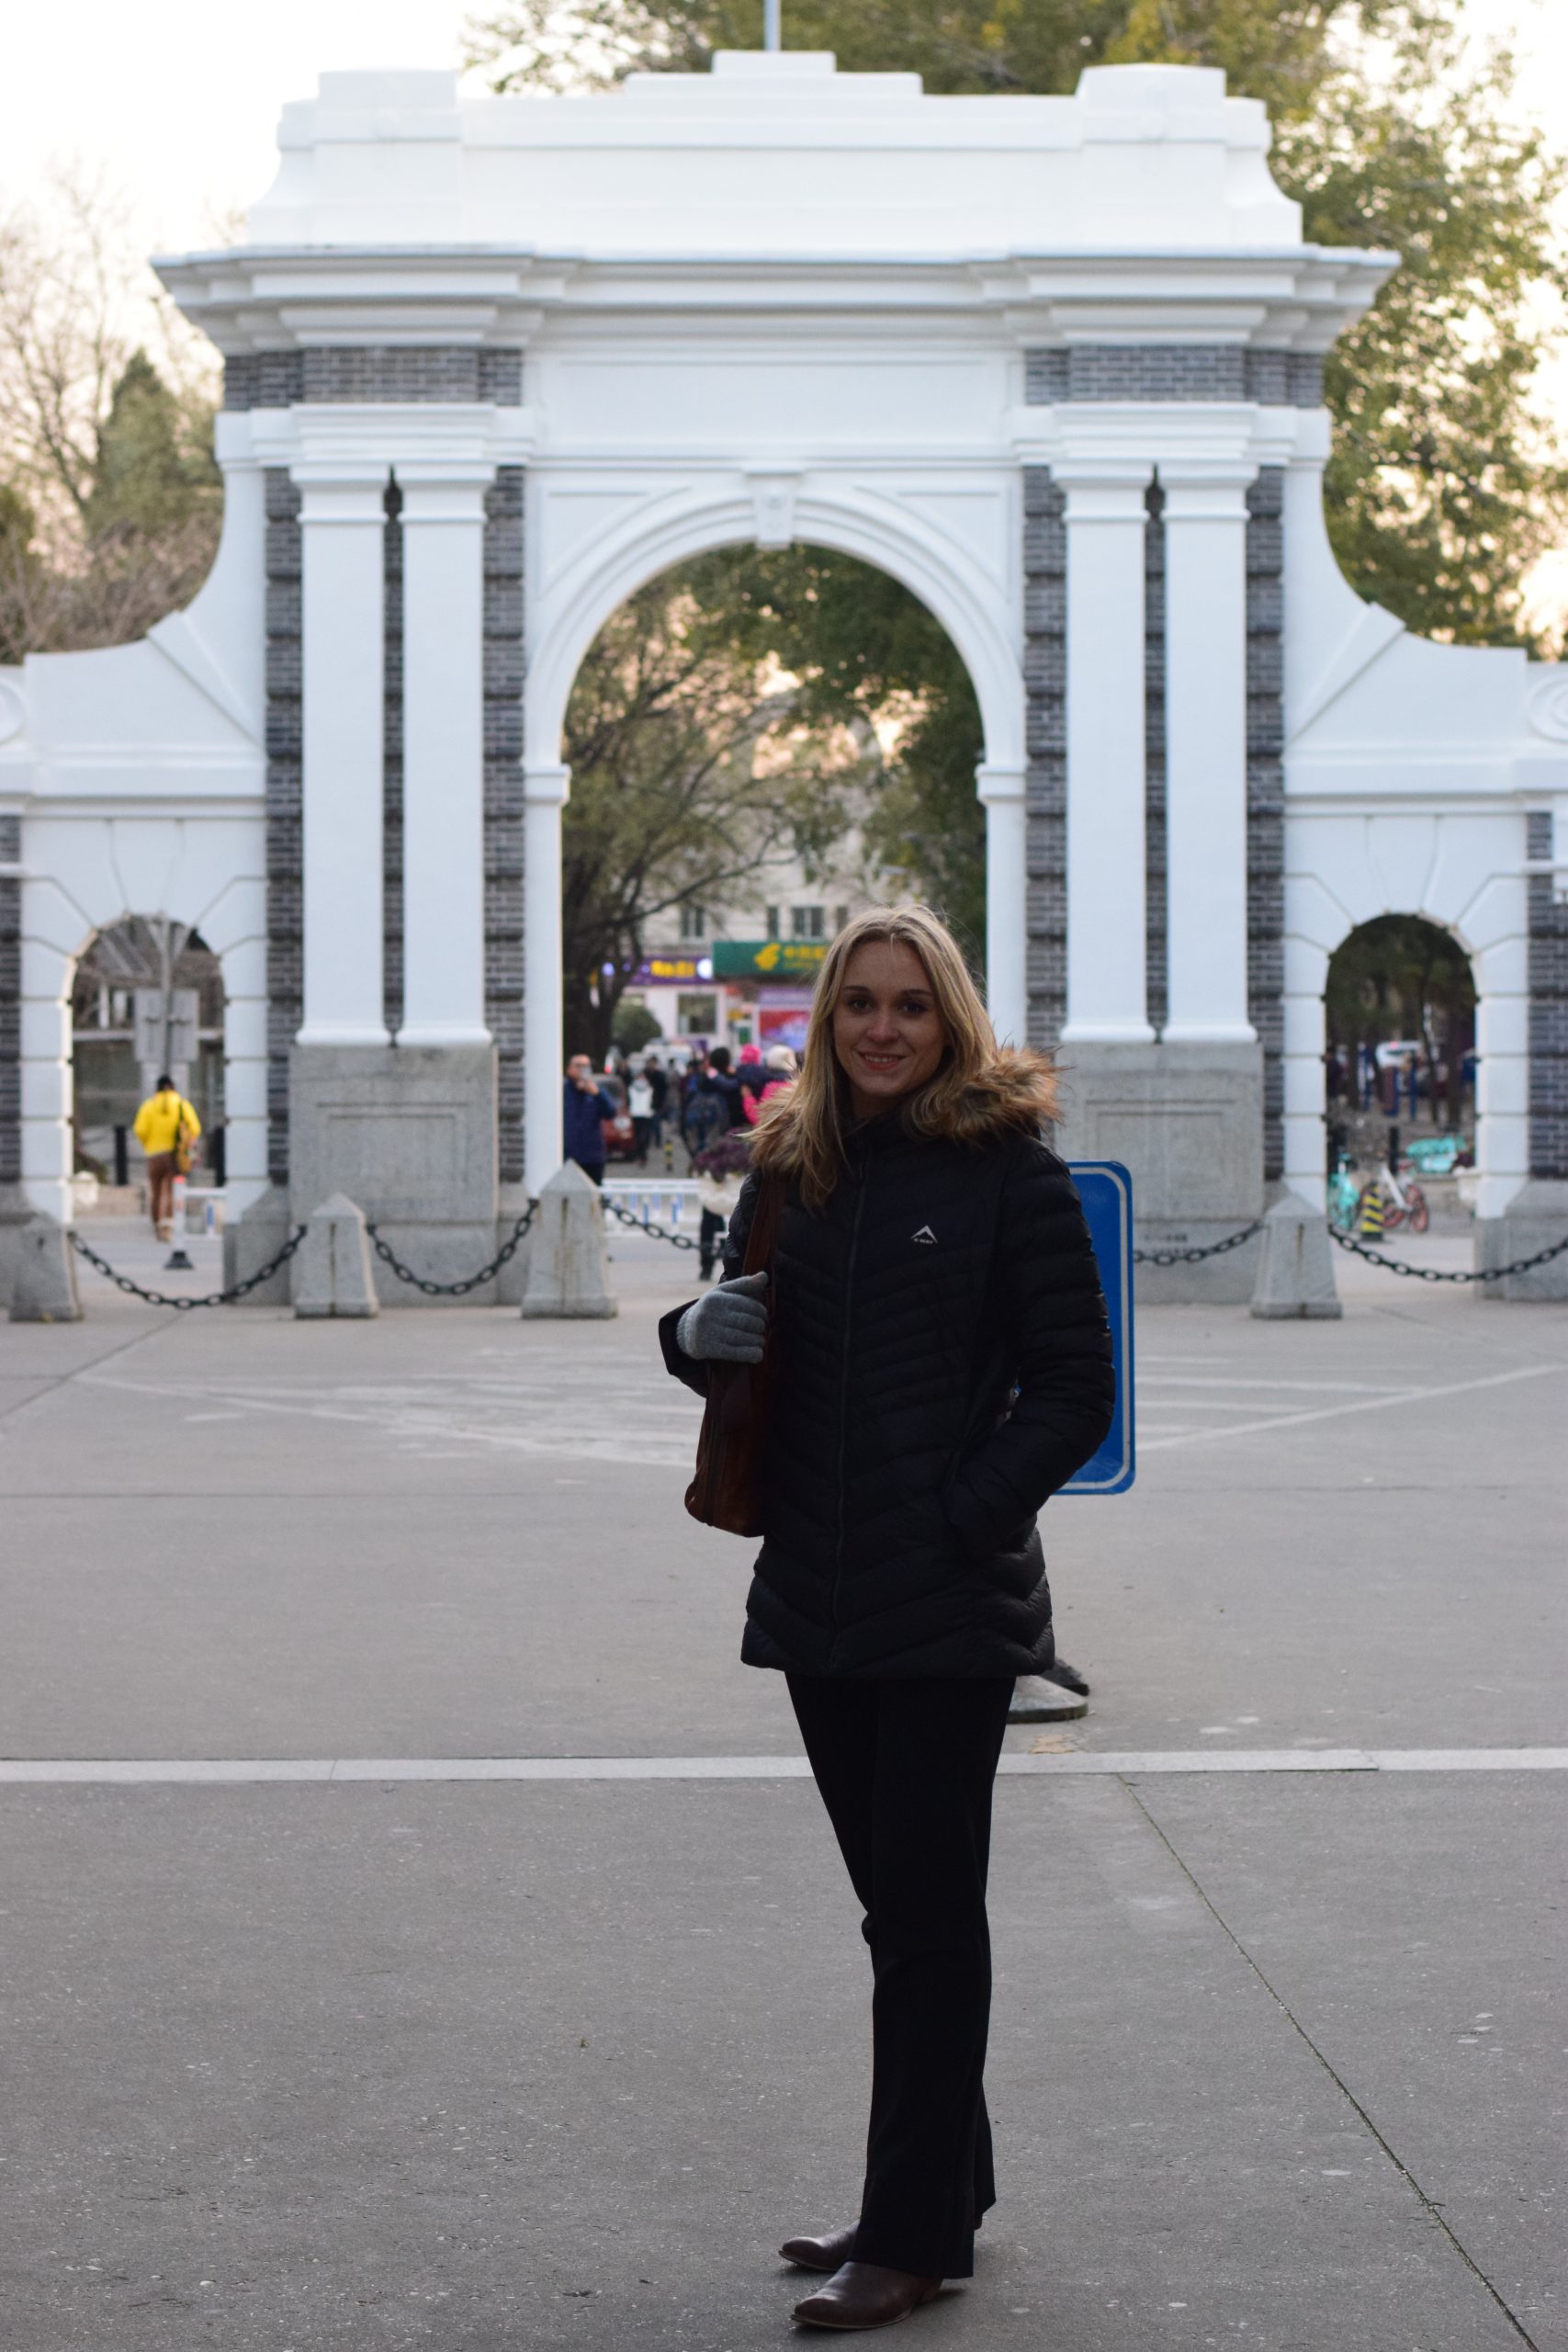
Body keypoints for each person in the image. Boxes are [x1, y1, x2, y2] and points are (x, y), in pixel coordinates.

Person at [659, 905, 1114, 2333]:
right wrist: (683, 1339)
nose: (879, 1028)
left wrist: (959, 1515)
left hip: (946, 1605)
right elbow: (750, 1355)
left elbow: (1072, 1391)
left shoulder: (1006, 1177)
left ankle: (910, 2237)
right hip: (814, 1596)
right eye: (857, 1002)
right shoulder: (792, 1171)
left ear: (949, 1018)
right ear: (825, 1020)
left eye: (908, 1005)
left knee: (924, 1920)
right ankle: (941, 2183)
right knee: (893, 1913)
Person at [132, 1074, 201, 1243]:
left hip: (153, 1154)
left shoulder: (148, 1106)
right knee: (172, 1191)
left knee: (156, 1192)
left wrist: (148, 1144)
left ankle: (158, 1225)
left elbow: (140, 1129)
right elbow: (195, 1128)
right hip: (174, 1155)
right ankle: (169, 1226)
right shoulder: (181, 1105)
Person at [562, 1053, 617, 1184]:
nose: (582, 1070)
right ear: (569, 1069)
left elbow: (610, 1112)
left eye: (586, 1066)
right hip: (569, 1155)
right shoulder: (563, 1092)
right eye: (578, 1066)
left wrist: (597, 1094)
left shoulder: (596, 1091)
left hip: (592, 1156)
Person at [627, 1065, 658, 1167]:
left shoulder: (648, 1089)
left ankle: (642, 1156)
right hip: (637, 1114)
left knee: (643, 1137)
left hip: (644, 1114)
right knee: (639, 1137)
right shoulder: (632, 1089)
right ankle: (640, 1156)